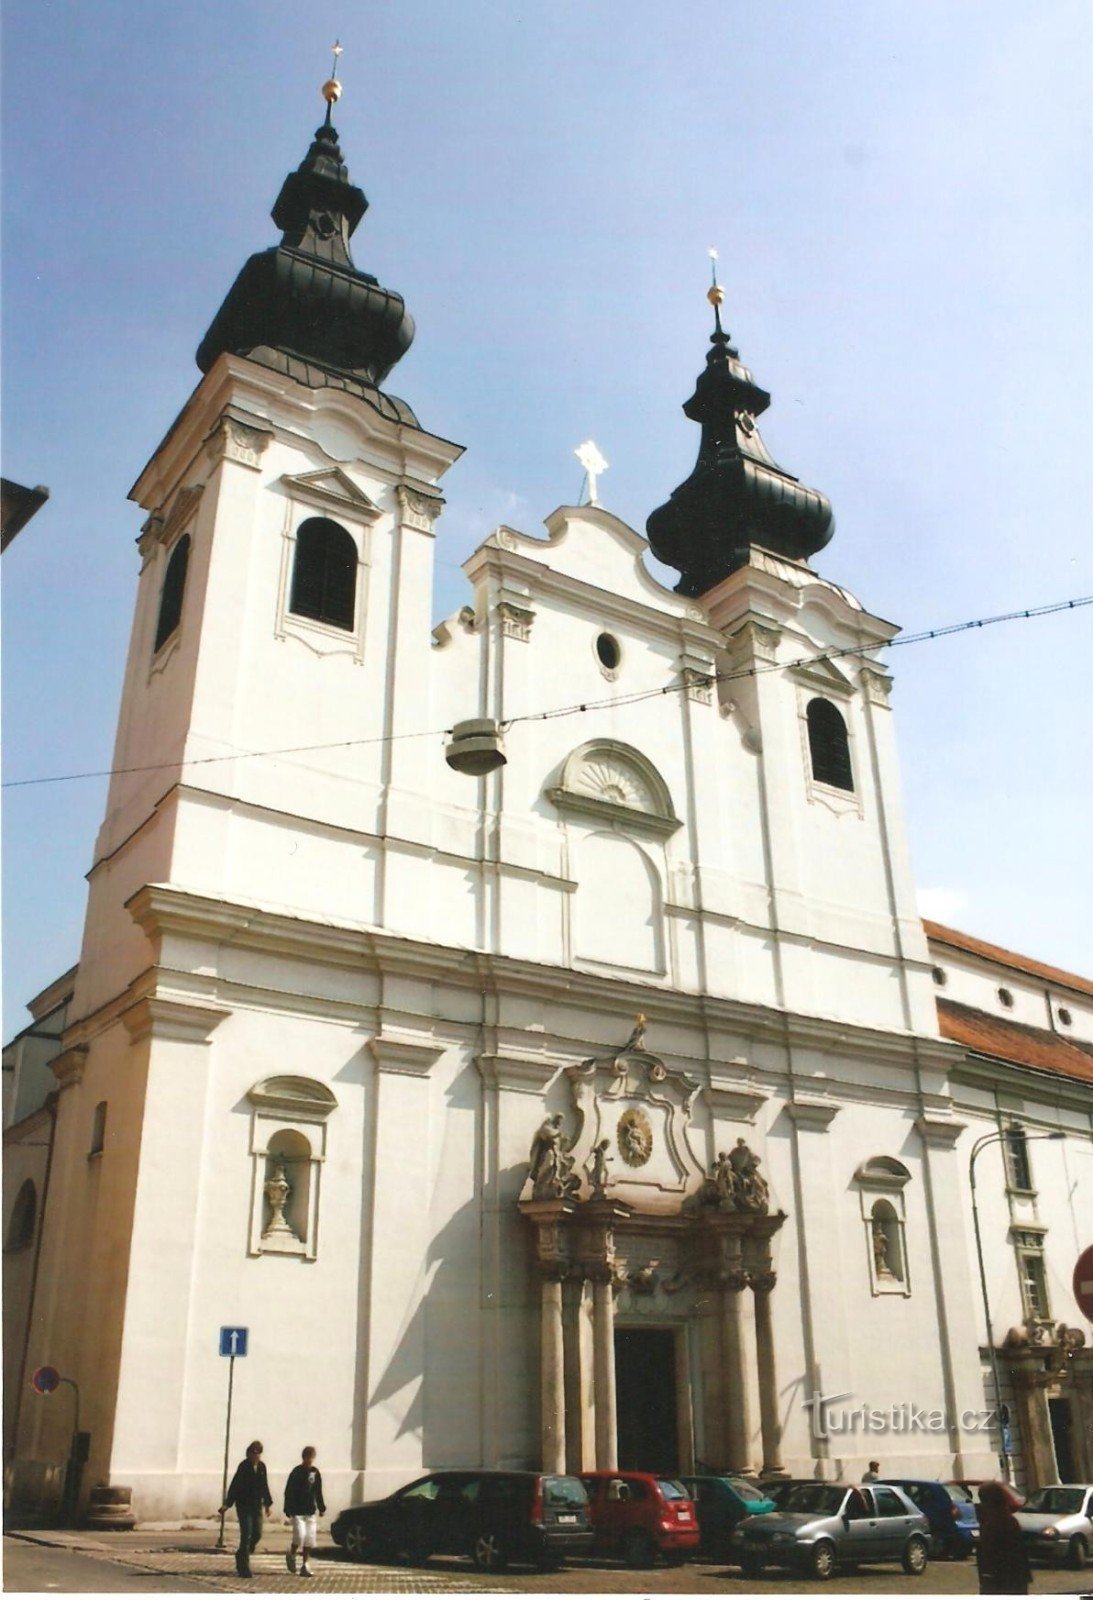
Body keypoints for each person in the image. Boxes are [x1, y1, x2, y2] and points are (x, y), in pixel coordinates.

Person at [220, 1440, 272, 1578]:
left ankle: (243, 1552)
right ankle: (244, 1567)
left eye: (259, 1453)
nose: (256, 1455)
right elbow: (235, 1485)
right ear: (249, 1454)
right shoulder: (243, 1467)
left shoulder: (262, 1467)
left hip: (256, 1505)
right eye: (254, 1453)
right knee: (247, 1533)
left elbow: (264, 1486)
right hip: (244, 1505)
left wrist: (268, 1504)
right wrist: (228, 1503)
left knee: (257, 1533)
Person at [976, 1480, 1032, 1595]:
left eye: (982, 1500)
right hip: (1014, 1577)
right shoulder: (1008, 1519)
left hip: (1001, 1578)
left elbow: (989, 1551)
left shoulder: (995, 1522)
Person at [284, 1446, 326, 1577]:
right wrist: (288, 1508)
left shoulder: (314, 1472)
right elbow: (289, 1491)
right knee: (299, 1536)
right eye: (307, 1457)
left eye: (311, 1457)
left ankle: (305, 1564)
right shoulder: (296, 1472)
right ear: (304, 1458)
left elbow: (318, 1491)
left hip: (310, 1510)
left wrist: (321, 1507)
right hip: (298, 1511)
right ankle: (291, 1554)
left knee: (309, 1538)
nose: (309, 1460)